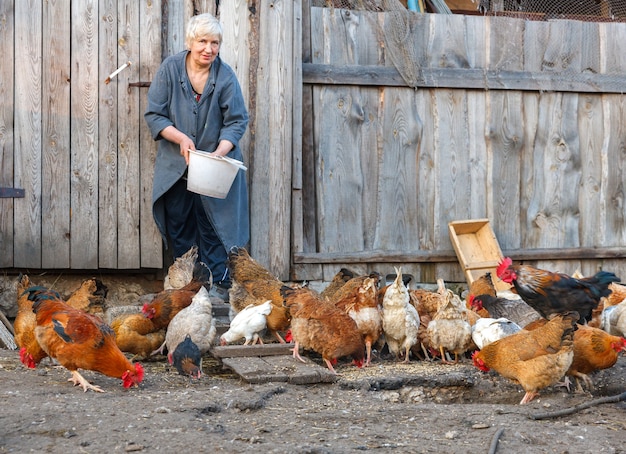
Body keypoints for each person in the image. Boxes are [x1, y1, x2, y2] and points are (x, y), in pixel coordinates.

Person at [144, 13, 249, 301]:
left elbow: (237, 121)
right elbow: (154, 113)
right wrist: (180, 138)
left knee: (214, 224)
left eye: (215, 42)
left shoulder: (225, 76)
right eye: (203, 41)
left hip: (213, 166)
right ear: (190, 42)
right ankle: (188, 289)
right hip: (178, 165)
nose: (209, 48)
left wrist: (218, 153)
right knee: (179, 222)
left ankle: (221, 291)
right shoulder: (170, 69)